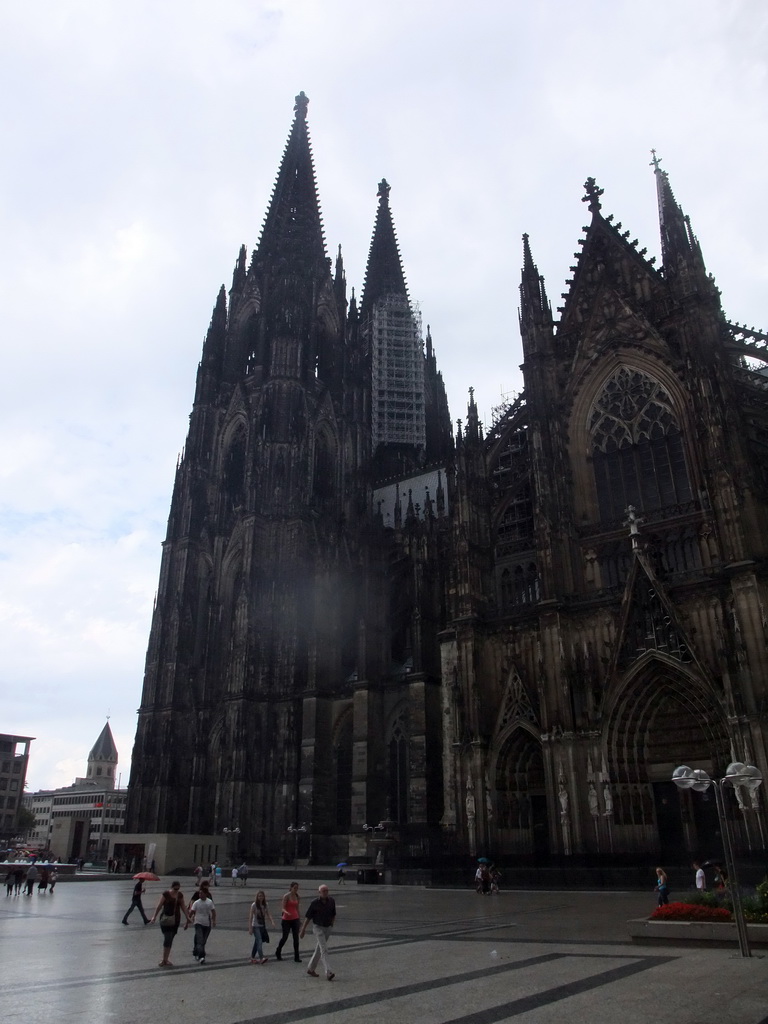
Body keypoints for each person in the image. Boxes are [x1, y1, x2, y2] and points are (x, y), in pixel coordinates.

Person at [150, 880, 190, 967]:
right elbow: (160, 905)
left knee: (170, 938)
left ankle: (166, 959)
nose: (176, 890)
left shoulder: (180, 895)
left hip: (175, 920)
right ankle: (164, 959)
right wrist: (154, 916)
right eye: (175, 889)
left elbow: (183, 906)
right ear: (172, 887)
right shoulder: (166, 894)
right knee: (168, 937)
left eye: (178, 889)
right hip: (165, 919)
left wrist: (187, 917)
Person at [300, 884, 336, 981]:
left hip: (327, 927)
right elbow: (308, 917)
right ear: (319, 892)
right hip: (318, 927)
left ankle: (311, 969)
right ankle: (328, 972)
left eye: (326, 890)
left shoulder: (331, 901)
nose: (325, 892)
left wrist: (332, 924)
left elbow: (333, 913)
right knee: (324, 949)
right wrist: (303, 929)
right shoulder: (314, 903)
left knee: (319, 949)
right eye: (323, 891)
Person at [275, 881, 302, 962]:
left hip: (295, 918)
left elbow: (297, 909)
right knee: (285, 937)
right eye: (294, 888)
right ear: (291, 888)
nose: (296, 890)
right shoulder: (286, 896)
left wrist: (300, 920)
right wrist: (286, 912)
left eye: (297, 888)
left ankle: (296, 957)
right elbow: (283, 907)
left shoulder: (297, 896)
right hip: (286, 919)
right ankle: (278, 951)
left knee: (296, 938)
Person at [189, 886, 216, 964]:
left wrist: (214, 920)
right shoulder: (196, 902)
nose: (200, 894)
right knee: (200, 939)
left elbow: (213, 911)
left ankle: (197, 951)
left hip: (207, 923)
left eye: (201, 893)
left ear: (206, 894)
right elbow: (191, 912)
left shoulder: (209, 902)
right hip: (198, 922)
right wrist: (188, 921)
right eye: (199, 893)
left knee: (203, 940)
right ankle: (201, 956)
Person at [248, 889, 275, 963]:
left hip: (262, 925)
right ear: (257, 897)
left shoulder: (265, 905)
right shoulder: (254, 905)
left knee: (257, 942)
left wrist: (272, 921)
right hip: (255, 926)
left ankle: (252, 957)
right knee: (259, 941)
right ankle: (261, 957)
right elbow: (250, 917)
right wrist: (250, 928)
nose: (260, 897)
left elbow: (268, 913)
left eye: (262, 896)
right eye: (259, 896)